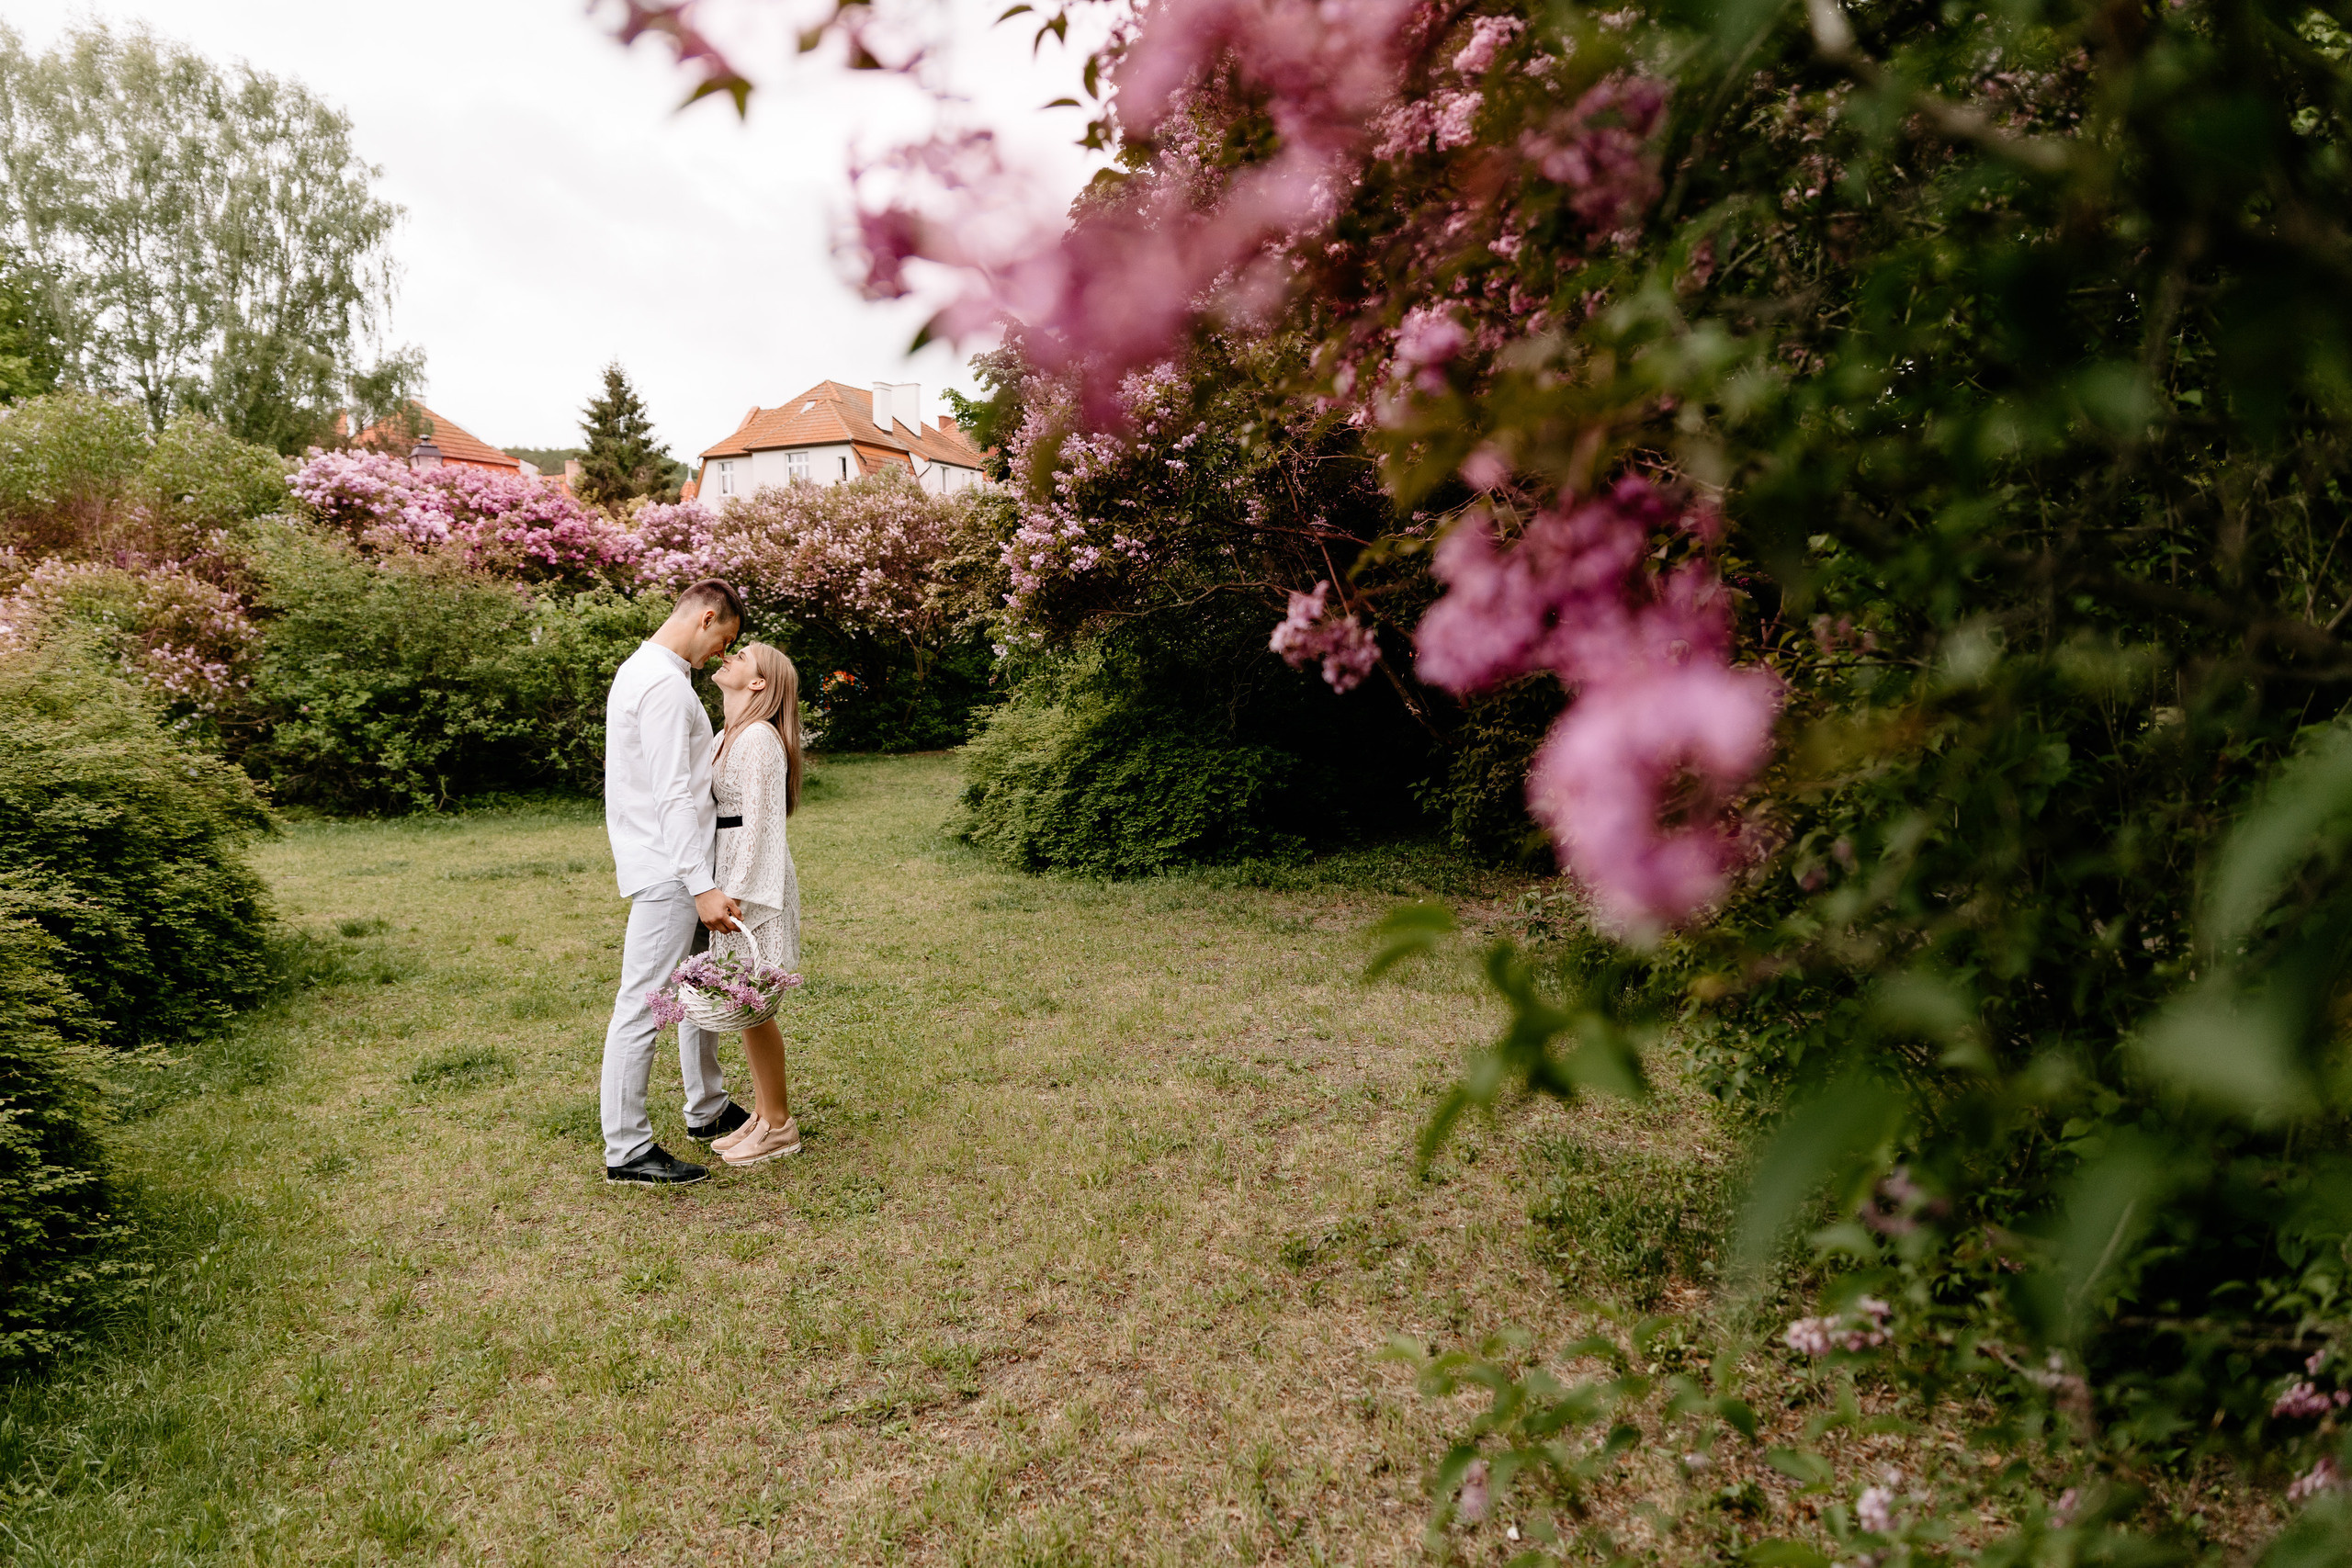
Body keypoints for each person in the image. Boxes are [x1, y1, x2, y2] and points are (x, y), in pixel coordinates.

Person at [599, 579, 750, 1186]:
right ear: (706, 616)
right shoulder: (661, 683)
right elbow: (670, 793)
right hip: (670, 869)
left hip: (676, 864)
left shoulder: (649, 670)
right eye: (725, 639)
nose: (722, 653)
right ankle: (628, 1149)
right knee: (644, 1003)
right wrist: (699, 883)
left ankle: (707, 1108)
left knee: (695, 991)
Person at [699, 641, 807, 1168]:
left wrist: (737, 893)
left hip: (752, 885)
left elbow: (764, 826)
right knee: (745, 1005)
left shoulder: (760, 739)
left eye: (741, 656)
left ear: (759, 683)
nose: (728, 658)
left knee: (754, 1004)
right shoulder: (727, 736)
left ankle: (780, 1123)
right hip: (728, 874)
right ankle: (763, 1117)